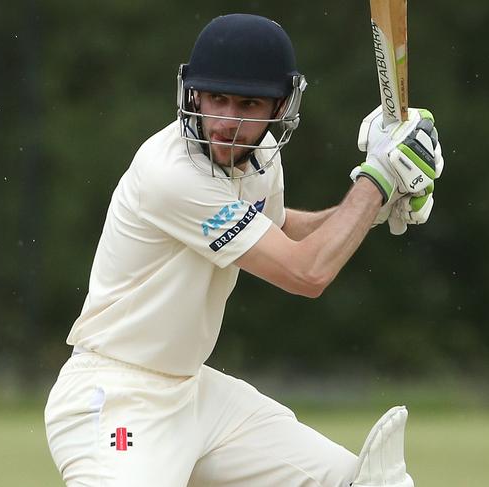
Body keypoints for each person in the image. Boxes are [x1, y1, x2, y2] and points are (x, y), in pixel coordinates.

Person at [44, 13, 444, 487]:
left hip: (194, 396)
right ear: (193, 94)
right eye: (217, 99)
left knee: (362, 482)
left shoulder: (258, 164)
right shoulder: (170, 174)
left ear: (280, 105)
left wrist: (372, 208)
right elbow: (306, 272)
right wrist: (377, 179)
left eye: (249, 104)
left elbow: (279, 233)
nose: (227, 123)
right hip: (115, 397)